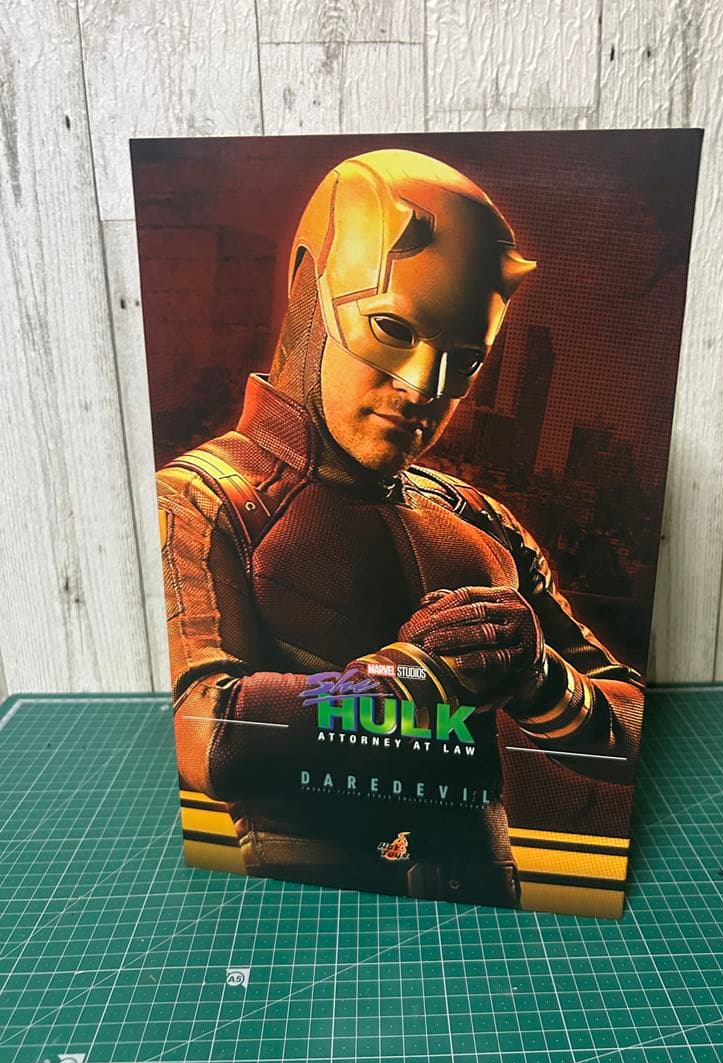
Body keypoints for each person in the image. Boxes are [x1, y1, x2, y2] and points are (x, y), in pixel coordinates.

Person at [156, 149, 644, 908]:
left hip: (485, 916)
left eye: (463, 361)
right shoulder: (203, 498)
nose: (422, 386)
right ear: (311, 293)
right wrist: (410, 681)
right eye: (391, 327)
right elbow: (204, 736)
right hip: (307, 925)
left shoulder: (476, 518)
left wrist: (543, 679)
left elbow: (634, 725)